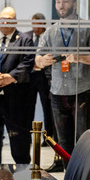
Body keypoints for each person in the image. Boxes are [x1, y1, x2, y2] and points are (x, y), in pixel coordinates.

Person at [35, 0, 90, 172]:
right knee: (63, 140)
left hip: (81, 90)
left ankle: (85, 176)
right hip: (57, 92)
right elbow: (36, 60)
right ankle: (68, 177)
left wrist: (80, 57)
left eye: (65, 1)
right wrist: (43, 61)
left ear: (74, 5)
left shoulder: (89, 29)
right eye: (58, 2)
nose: (61, 5)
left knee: (84, 137)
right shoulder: (50, 32)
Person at [0, 6, 35, 164]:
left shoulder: (24, 39)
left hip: (15, 100)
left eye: (9, 20)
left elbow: (28, 63)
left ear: (15, 21)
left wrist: (10, 77)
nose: (4, 23)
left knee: (19, 146)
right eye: (2, 19)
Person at [27, 13, 57, 146]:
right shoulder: (26, 36)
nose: (36, 27)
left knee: (47, 107)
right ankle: (27, 135)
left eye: (39, 24)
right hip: (30, 77)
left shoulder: (49, 36)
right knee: (28, 106)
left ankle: (48, 137)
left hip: (45, 77)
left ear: (44, 24)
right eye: (34, 24)